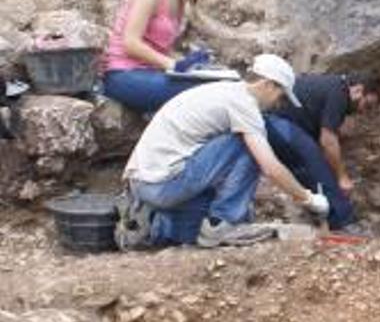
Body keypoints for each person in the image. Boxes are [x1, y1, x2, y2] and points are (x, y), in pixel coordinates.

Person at [116, 54, 330, 249]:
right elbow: (270, 167)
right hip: (164, 183)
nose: (278, 105)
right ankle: (224, 224)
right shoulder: (244, 105)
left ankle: (155, 227)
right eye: (281, 96)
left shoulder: (224, 90)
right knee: (247, 143)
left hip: (145, 182)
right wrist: (308, 199)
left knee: (198, 221)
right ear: (268, 85)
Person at [101, 0, 229, 114]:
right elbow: (130, 43)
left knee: (222, 85)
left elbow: (159, 49)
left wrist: (192, 64)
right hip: (123, 74)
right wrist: (173, 64)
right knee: (207, 92)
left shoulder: (181, 2)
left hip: (151, 73)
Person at [265, 72, 380, 231]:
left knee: (308, 167)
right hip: (276, 122)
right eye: (367, 105)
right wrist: (342, 177)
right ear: (358, 90)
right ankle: (344, 223)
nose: (364, 111)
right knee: (313, 160)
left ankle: (323, 215)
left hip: (279, 124)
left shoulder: (333, 86)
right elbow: (328, 140)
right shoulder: (339, 94)